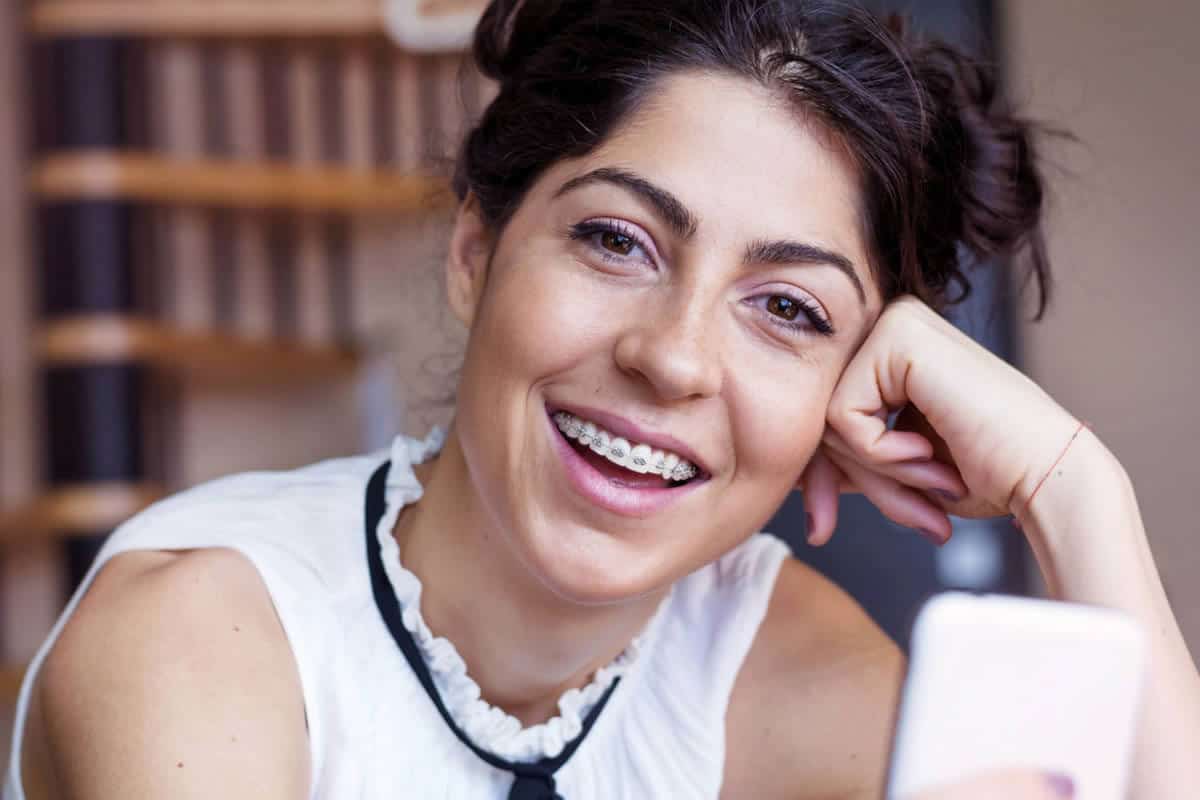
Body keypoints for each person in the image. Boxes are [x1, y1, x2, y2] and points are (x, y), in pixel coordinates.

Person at [7, 1, 1199, 798]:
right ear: (476, 251)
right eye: (618, 240)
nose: (674, 359)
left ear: (844, 391)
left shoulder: (787, 672)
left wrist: (1072, 485)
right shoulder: (199, 634)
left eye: (789, 310)